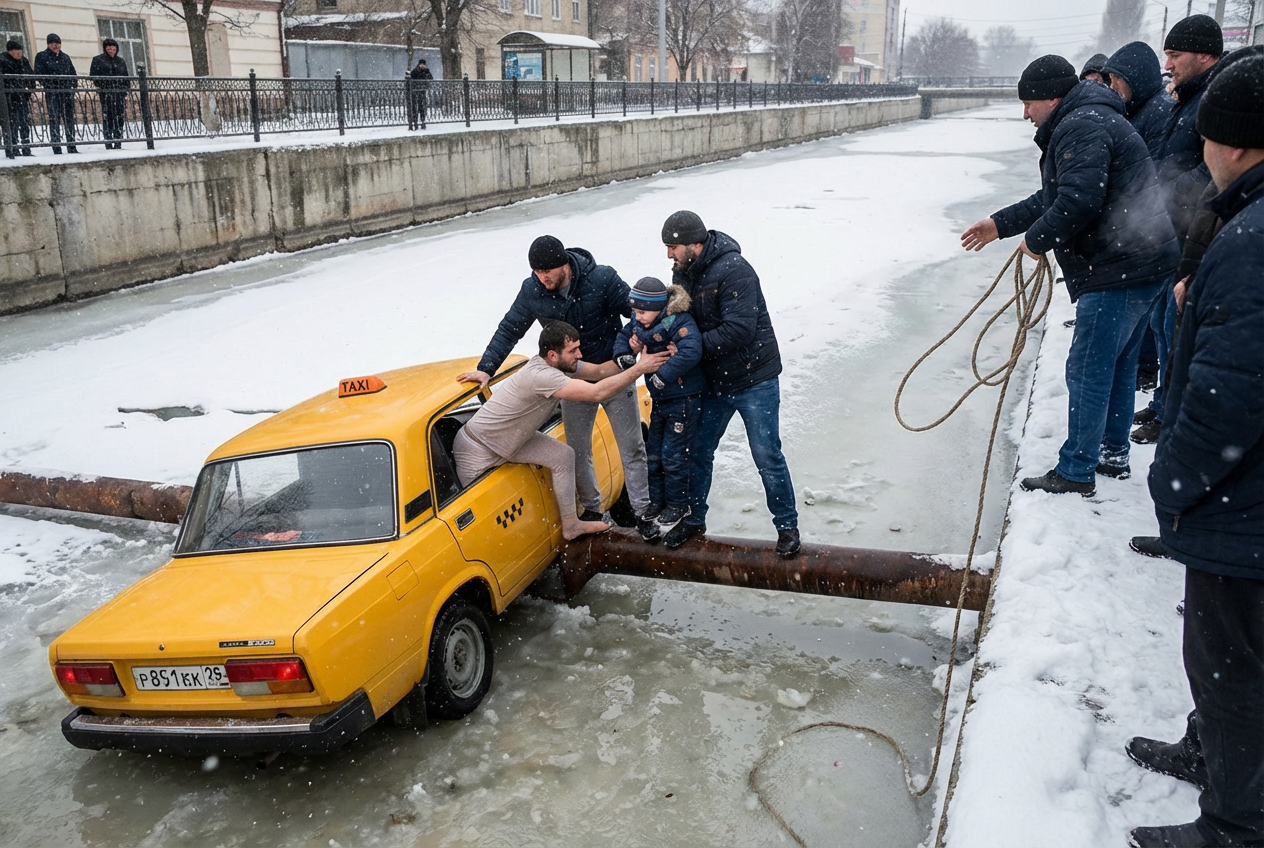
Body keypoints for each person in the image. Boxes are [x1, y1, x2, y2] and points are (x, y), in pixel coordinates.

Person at [1126, 54, 1264, 848]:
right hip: (1246, 501)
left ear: (1234, 145)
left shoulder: (1252, 241)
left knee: (1234, 666)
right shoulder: (1247, 220)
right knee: (1228, 665)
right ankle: (1208, 752)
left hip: (1243, 510)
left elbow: (1234, 391)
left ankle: (1235, 825)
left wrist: (1174, 479)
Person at [960, 55, 1178, 496]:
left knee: (1088, 369)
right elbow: (1056, 194)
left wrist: (1035, 240)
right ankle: (1112, 452)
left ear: (1050, 96)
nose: (1025, 114)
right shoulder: (1089, 117)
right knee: (1116, 365)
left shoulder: (1082, 124)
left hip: (1117, 265)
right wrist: (1000, 225)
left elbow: (1078, 200)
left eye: (1028, 103)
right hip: (1143, 261)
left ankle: (1077, 470)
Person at [456, 236, 662, 542]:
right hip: (571, 379)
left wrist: (633, 343)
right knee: (577, 450)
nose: (542, 278)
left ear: (564, 264)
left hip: (614, 372)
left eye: (547, 272)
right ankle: (592, 510)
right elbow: (510, 327)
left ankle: (643, 513)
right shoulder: (533, 290)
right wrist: (487, 368)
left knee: (631, 447)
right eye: (537, 273)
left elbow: (637, 313)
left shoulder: (601, 278)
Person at [658, 210, 801, 557]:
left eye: (673, 247)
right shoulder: (683, 272)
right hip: (713, 380)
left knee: (766, 454)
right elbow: (680, 317)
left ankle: (787, 526)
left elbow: (740, 330)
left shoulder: (735, 270)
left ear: (695, 243)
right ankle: (694, 521)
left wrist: (690, 346)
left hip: (755, 378)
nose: (668, 255)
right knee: (698, 450)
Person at [454, 321, 668, 542]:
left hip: (509, 440)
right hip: (477, 450)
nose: (579, 354)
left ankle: (571, 525)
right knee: (484, 528)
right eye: (573, 350)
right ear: (553, 355)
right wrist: (640, 369)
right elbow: (596, 393)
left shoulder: (558, 367)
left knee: (564, 456)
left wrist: (631, 358)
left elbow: (598, 371)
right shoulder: (543, 376)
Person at [1129, 14, 1225, 448]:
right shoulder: (1188, 98)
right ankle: (1165, 403)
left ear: (1205, 54)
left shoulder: (1216, 101)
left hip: (1195, 233)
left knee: (1176, 327)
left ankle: (1171, 413)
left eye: (1175, 54)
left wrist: (1167, 194)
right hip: (1178, 230)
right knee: (1168, 325)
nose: (1168, 63)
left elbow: (1211, 168)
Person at [611, 276, 705, 534]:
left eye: (642, 311)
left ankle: (678, 503)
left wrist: (662, 376)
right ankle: (658, 501)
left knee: (673, 455)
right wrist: (625, 354)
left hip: (683, 398)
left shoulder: (678, 321)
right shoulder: (639, 322)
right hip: (661, 400)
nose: (637, 316)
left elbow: (691, 351)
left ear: (657, 307)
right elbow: (623, 335)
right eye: (635, 311)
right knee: (653, 453)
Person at [1103, 41, 1174, 158]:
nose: (1113, 86)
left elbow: (1155, 170)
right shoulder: (1132, 107)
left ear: (1136, 78)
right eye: (1111, 79)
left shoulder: (1162, 112)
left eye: (1118, 78)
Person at [33, 33, 77, 154]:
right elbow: (39, 73)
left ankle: (71, 145)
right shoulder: (42, 56)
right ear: (48, 44)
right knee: (54, 118)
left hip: (67, 92)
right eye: (53, 43)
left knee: (69, 119)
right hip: (52, 92)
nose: (55, 46)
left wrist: (73, 86)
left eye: (57, 43)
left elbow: (73, 73)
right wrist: (51, 83)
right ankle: (56, 146)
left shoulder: (65, 57)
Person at [90, 38, 129, 150]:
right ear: (105, 48)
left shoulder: (120, 61)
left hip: (119, 94)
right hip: (106, 93)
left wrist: (124, 90)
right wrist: (104, 84)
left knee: (119, 117)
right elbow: (93, 76)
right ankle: (108, 141)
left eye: (113, 47)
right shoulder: (98, 60)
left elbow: (126, 77)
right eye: (108, 47)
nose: (111, 49)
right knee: (108, 117)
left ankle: (118, 141)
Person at [1, 39, 34, 158]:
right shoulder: (3, 61)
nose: (19, 53)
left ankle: (26, 148)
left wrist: (28, 90)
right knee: (11, 124)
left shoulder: (23, 61)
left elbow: (30, 76)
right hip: (8, 99)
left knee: (24, 123)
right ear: (10, 51)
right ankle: (12, 148)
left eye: (20, 50)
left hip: (22, 97)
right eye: (16, 51)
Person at [408, 58, 432, 127]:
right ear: (419, 65)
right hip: (415, 92)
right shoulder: (415, 71)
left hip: (422, 91)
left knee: (422, 107)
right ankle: (415, 121)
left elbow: (431, 78)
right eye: (421, 65)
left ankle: (422, 121)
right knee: (415, 107)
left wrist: (427, 72)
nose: (422, 66)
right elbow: (411, 80)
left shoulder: (426, 71)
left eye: (424, 65)